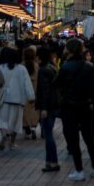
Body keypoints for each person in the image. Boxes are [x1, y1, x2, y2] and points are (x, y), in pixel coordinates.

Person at [55, 38, 94, 181]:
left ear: (69, 50)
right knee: (89, 137)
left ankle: (79, 169)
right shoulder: (89, 66)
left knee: (73, 138)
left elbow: (57, 84)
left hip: (69, 106)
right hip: (85, 105)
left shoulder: (65, 67)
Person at [0, 47, 36, 151]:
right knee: (16, 122)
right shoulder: (21, 69)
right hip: (18, 100)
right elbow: (27, 84)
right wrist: (31, 96)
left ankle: (4, 135)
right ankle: (12, 142)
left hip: (3, 99)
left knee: (3, 120)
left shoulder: (0, 68)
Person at [35, 45, 61, 173]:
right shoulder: (52, 67)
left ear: (40, 58)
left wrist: (43, 108)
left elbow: (45, 90)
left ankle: (52, 162)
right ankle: (51, 162)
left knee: (48, 134)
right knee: (48, 133)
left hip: (48, 106)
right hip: (54, 104)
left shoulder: (43, 70)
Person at [22, 46, 40, 140]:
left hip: (24, 92)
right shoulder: (36, 66)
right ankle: (33, 127)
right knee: (34, 110)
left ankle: (26, 127)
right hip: (35, 90)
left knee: (24, 110)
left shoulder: (21, 66)